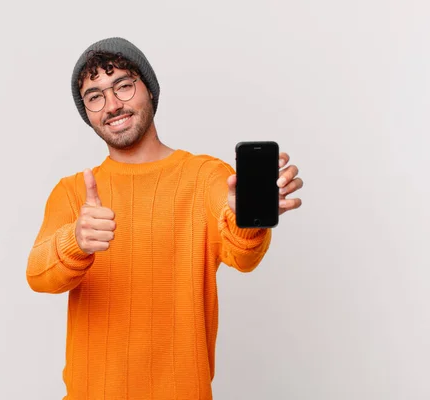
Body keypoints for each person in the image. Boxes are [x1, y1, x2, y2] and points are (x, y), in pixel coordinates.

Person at [26, 37, 303, 400]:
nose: (112, 105)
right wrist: (75, 242)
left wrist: (247, 220)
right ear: (88, 113)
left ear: (151, 91)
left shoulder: (205, 176)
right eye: (95, 96)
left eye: (123, 86)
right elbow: (38, 275)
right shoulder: (74, 191)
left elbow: (243, 257)